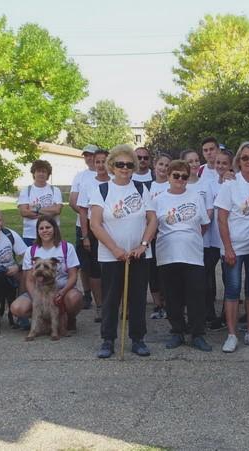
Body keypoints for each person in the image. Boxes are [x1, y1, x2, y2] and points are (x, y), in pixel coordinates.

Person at [89, 145, 157, 358]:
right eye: (120, 164)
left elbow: (152, 219)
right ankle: (108, 340)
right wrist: (115, 249)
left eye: (129, 164)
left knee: (137, 298)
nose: (124, 168)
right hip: (111, 255)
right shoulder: (101, 190)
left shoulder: (141, 189)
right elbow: (96, 224)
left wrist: (143, 245)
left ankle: (138, 339)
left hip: (138, 254)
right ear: (112, 166)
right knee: (111, 298)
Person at [148, 159, 213, 352]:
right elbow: (152, 225)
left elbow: (204, 223)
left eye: (184, 176)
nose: (180, 179)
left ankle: (197, 334)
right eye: (176, 175)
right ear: (168, 176)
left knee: (196, 296)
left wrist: (188, 238)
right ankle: (177, 331)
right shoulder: (158, 200)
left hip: (192, 254)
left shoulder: (195, 196)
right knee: (172, 295)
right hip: (167, 254)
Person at [214, 142, 249, 352]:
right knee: (232, 290)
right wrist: (228, 248)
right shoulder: (230, 184)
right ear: (238, 160)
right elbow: (221, 219)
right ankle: (231, 334)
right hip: (234, 247)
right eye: (245, 158)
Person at [10, 216, 83, 332]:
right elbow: (29, 280)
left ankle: (70, 318)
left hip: (62, 288)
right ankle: (43, 321)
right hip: (39, 290)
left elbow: (73, 275)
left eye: (48, 227)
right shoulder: (31, 250)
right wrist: (35, 297)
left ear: (55, 229)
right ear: (38, 232)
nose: (45, 230)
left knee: (75, 298)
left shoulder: (66, 247)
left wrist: (62, 292)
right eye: (41, 228)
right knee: (17, 308)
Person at [182, 149, 219, 326]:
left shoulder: (206, 184)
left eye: (197, 160)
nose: (195, 164)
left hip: (204, 239)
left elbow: (209, 209)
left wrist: (201, 230)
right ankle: (189, 315)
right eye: (190, 161)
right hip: (186, 242)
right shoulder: (180, 184)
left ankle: (208, 313)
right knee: (188, 281)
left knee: (206, 279)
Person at [76, 148, 111, 322]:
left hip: (112, 230)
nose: (100, 165)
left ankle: (114, 304)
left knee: (112, 270)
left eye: (104, 161)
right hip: (93, 230)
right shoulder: (88, 184)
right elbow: (83, 212)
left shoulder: (116, 182)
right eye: (97, 161)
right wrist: (85, 236)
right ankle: (100, 306)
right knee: (95, 270)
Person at [205, 148, 234, 331]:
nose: (221, 166)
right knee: (207, 278)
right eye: (218, 163)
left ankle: (226, 315)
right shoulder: (208, 183)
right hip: (210, 239)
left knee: (228, 279)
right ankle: (209, 313)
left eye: (224, 163)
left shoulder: (235, 183)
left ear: (231, 165)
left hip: (227, 239)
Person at [68, 144, 98, 310]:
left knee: (100, 262)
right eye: (86, 155)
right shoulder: (79, 176)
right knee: (84, 263)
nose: (89, 158)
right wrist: (86, 217)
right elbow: (73, 201)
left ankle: (103, 295)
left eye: (91, 155)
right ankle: (87, 294)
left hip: (102, 226)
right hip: (83, 225)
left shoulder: (107, 174)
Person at [148, 152, 172, 319]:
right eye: (161, 164)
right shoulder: (147, 187)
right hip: (151, 235)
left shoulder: (173, 185)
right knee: (152, 271)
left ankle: (169, 303)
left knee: (166, 270)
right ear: (155, 166)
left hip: (167, 234)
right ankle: (157, 304)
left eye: (167, 165)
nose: (163, 168)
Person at [17, 159, 64, 246]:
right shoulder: (26, 190)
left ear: (48, 175)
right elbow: (24, 212)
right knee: (32, 259)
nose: (41, 174)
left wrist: (34, 209)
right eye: (38, 171)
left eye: (44, 172)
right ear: (34, 173)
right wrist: (49, 212)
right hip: (30, 235)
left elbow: (57, 210)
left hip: (51, 234)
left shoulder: (55, 190)